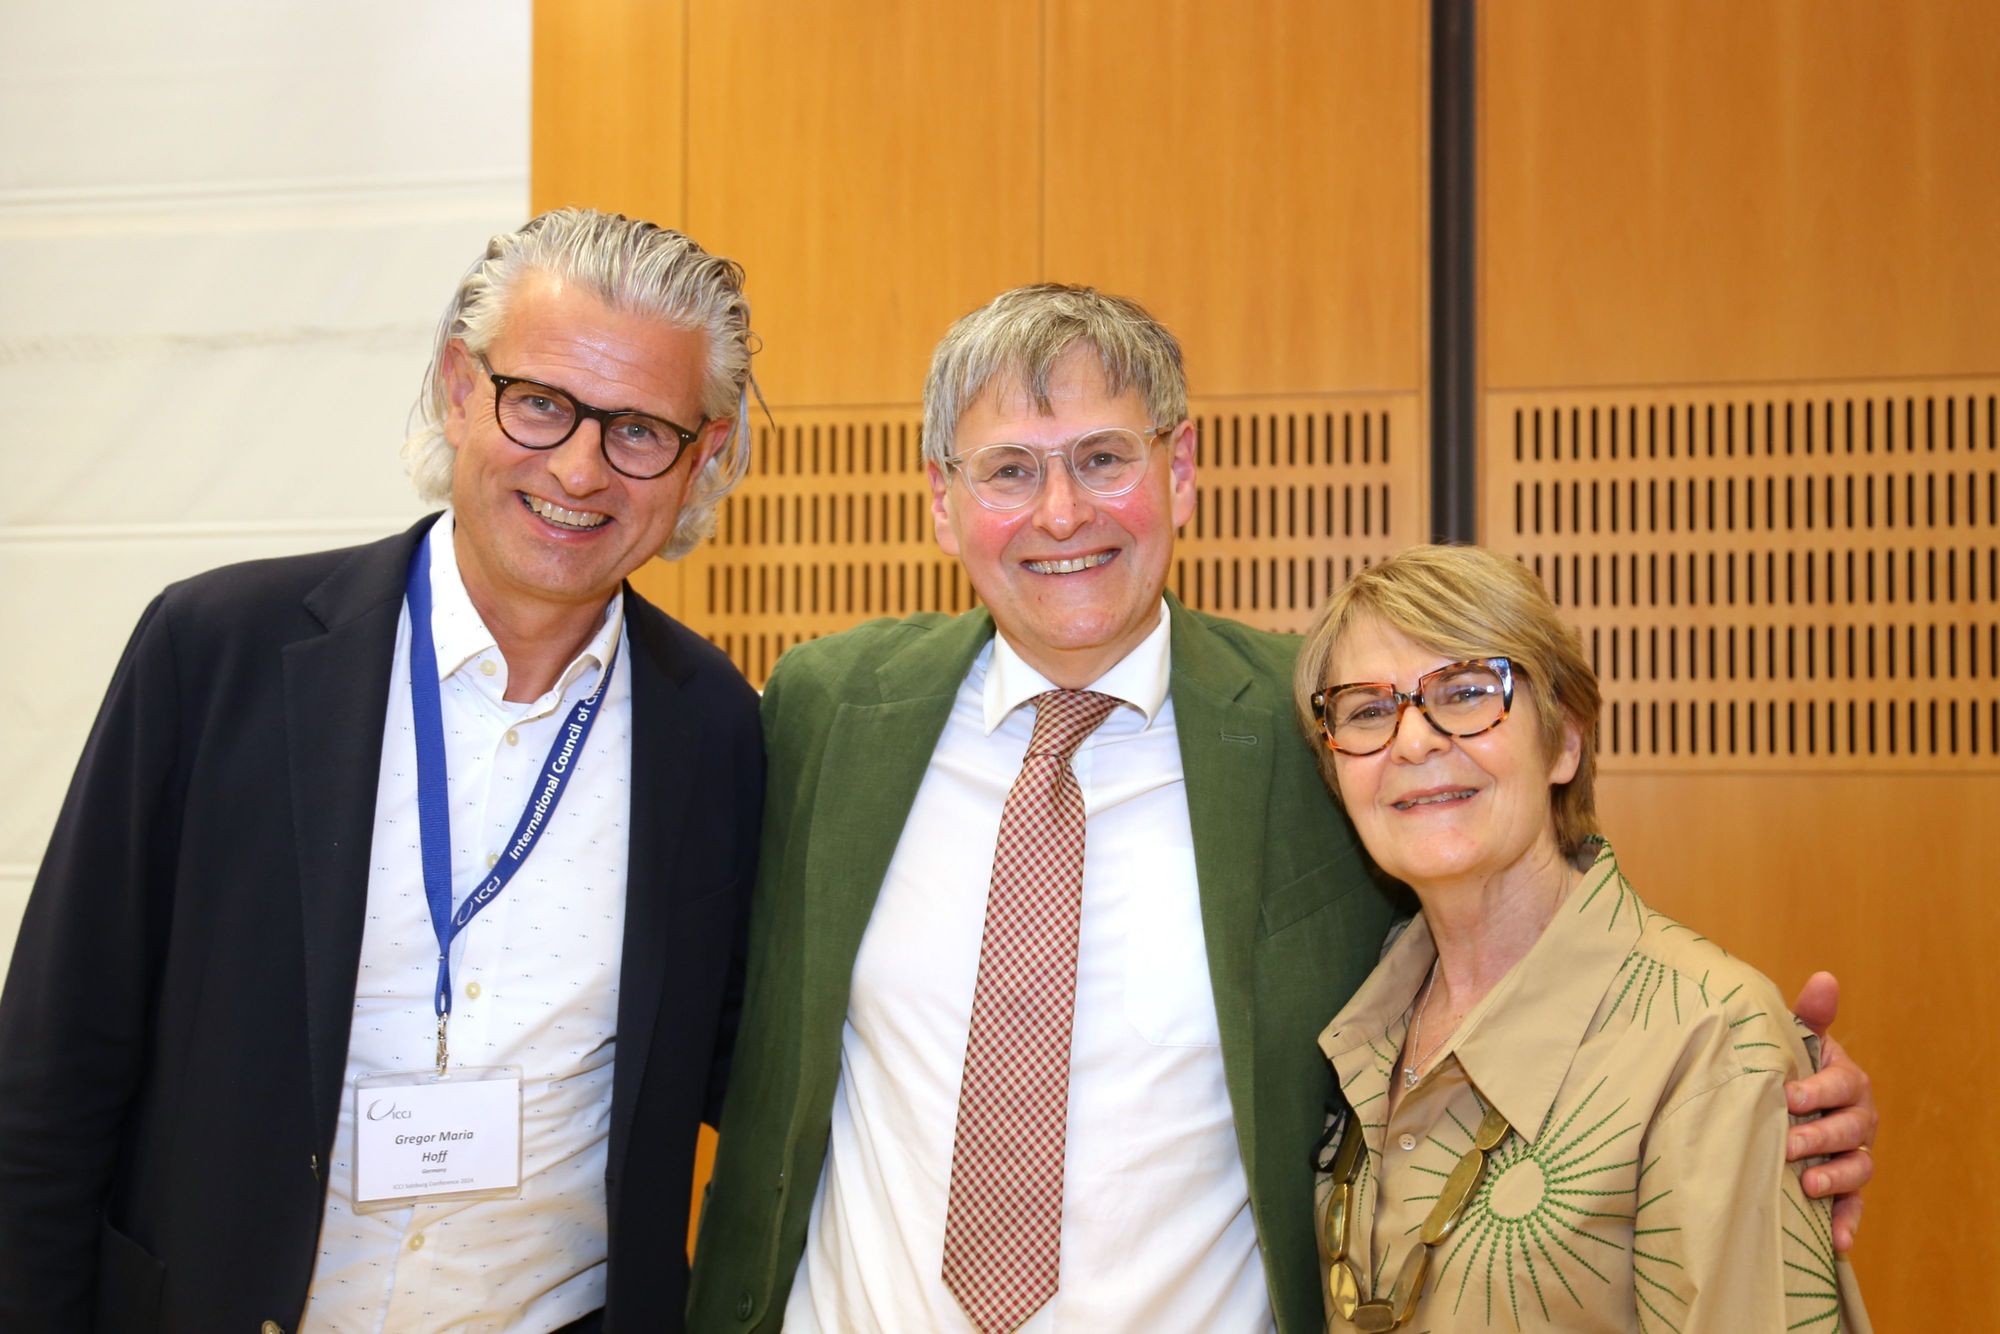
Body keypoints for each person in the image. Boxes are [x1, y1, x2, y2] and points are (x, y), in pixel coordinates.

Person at [687, 284, 1874, 1334]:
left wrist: (1745, 1079)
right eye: (1007, 469)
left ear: (1179, 473)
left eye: (1102, 457)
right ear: (941, 503)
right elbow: (709, 1024)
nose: (1059, 512)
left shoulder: (1323, 726)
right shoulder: (825, 709)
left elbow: (1511, 914)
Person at [0, 209, 764, 1334]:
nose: (579, 467)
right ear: (458, 388)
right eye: (540, 403)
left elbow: (759, 1075)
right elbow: (54, 1069)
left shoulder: (718, 731)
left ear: (701, 457)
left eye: (640, 429)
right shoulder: (214, 654)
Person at [1294, 545, 1870, 1331]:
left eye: (1466, 692)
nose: (1415, 740)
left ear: (1565, 739)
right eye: (1367, 710)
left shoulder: (1708, 1038)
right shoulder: (1359, 1019)